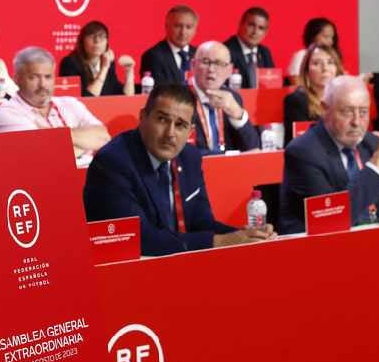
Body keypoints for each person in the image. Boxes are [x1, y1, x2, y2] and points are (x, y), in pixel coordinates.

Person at [84, 84, 276, 256]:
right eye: (162, 120)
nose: (170, 133)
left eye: (180, 125)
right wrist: (222, 241)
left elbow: (201, 222)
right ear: (143, 117)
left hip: (177, 264)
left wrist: (246, 236)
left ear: (190, 131)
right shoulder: (113, 162)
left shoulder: (189, 157)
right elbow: (140, 239)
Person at [279, 75, 379, 234]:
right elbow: (331, 220)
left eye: (363, 112)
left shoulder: (372, 143)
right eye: (347, 112)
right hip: (323, 245)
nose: (357, 122)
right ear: (324, 109)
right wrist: (377, 163)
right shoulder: (303, 152)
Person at [0, 47, 109, 163]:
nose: (43, 84)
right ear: (17, 79)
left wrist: (56, 135)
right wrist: (84, 145)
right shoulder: (6, 113)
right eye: (33, 77)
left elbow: (104, 138)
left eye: (48, 77)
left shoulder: (70, 103)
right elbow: (41, 156)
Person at [187, 42, 260, 154]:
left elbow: (252, 147)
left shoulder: (233, 97)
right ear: (193, 65)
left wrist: (237, 114)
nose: (211, 69)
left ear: (229, 70)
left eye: (219, 63)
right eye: (206, 62)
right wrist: (225, 157)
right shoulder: (178, 98)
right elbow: (183, 151)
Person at [283, 44, 344, 144]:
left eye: (330, 62)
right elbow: (301, 143)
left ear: (337, 69)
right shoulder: (297, 101)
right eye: (317, 63)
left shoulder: (343, 99)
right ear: (306, 71)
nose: (325, 68)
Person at [58, 21, 135, 96]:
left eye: (101, 36)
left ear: (107, 42)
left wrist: (129, 72)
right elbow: (88, 97)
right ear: (82, 41)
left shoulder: (108, 62)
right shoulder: (70, 63)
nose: (97, 41)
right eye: (91, 36)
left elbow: (126, 97)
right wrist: (104, 69)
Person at [139, 5, 198, 87]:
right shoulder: (153, 56)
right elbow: (157, 92)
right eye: (178, 26)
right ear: (166, 26)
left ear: (195, 30)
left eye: (188, 27)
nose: (183, 32)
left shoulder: (200, 55)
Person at [223, 7, 275, 89]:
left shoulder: (265, 53)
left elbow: (272, 85)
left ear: (265, 33)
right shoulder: (225, 51)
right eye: (251, 25)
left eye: (261, 28)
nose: (255, 32)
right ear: (240, 24)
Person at [287, 17, 341, 85]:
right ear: (312, 36)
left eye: (332, 37)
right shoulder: (302, 55)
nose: (330, 41)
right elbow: (296, 82)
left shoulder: (333, 56)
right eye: (326, 36)